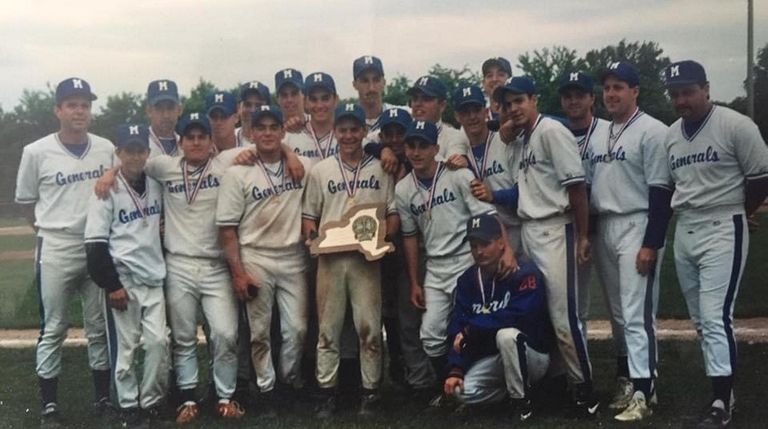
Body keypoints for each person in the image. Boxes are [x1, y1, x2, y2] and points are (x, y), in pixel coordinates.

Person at [663, 60, 768, 429]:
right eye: (675, 94)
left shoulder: (735, 124)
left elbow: (760, 178)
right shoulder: (672, 134)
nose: (681, 100)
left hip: (724, 222)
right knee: (700, 321)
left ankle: (721, 402)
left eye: (688, 91)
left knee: (715, 316)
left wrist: (743, 211)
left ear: (706, 88)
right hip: (686, 227)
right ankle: (725, 390)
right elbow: (668, 186)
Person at [493, 76, 598, 417]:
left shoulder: (551, 131)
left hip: (556, 227)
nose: (513, 108)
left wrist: (582, 235)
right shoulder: (522, 140)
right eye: (507, 104)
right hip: (530, 229)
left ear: (534, 99)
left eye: (519, 100)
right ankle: (557, 383)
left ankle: (585, 390)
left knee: (564, 318)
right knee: (540, 313)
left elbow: (577, 188)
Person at [15, 77, 112, 428]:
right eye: (71, 104)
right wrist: (43, 227)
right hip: (56, 243)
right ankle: (49, 405)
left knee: (98, 326)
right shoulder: (36, 151)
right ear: (57, 110)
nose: (79, 110)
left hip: (97, 244)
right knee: (54, 327)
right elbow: (26, 203)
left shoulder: (106, 148)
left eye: (85, 104)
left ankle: (103, 398)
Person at [395, 120, 514, 403]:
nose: (416, 152)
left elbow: (486, 215)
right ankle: (446, 386)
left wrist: (505, 249)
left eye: (423, 145)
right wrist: (414, 281)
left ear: (436, 148)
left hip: (465, 260)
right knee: (431, 335)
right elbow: (410, 238)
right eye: (411, 146)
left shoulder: (457, 175)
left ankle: (477, 384)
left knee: (473, 327)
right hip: (435, 266)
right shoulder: (403, 189)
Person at [139, 113, 244, 423]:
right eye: (190, 137)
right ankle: (188, 398)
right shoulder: (164, 165)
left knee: (225, 333)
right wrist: (109, 175)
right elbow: (131, 164)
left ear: (211, 141)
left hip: (216, 265)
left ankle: (225, 396)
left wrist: (290, 154)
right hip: (179, 263)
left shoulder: (226, 162)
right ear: (180, 142)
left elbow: (271, 147)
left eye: (202, 136)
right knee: (183, 336)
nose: (196, 142)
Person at [588, 61, 672, 421]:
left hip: (638, 222)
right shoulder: (600, 132)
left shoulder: (652, 130)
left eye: (619, 87)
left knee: (637, 313)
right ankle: (633, 382)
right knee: (619, 314)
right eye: (607, 87)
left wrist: (651, 243)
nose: (611, 94)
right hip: (606, 223)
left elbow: (661, 193)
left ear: (635, 91)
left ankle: (644, 390)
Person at [302, 103, 399, 417]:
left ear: (362, 131)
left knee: (369, 327)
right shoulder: (321, 170)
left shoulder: (380, 168)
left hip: (366, 261)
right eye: (342, 129)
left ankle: (370, 393)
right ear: (335, 131)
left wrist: (383, 237)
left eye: (354, 129)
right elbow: (309, 218)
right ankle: (325, 394)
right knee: (328, 330)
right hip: (330, 261)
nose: (348, 135)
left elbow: (393, 215)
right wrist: (311, 238)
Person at [217, 106, 310, 416]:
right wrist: (238, 273)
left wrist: (290, 154)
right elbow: (227, 230)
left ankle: (288, 382)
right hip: (255, 255)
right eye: (262, 128)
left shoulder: (302, 165)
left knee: (296, 330)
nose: (268, 133)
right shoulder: (236, 171)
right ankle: (267, 391)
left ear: (283, 132)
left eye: (274, 127)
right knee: (259, 332)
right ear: (252, 133)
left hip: (293, 256)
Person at [84, 124, 168, 428]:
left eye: (140, 149)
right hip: (124, 280)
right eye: (128, 150)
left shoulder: (157, 184)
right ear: (118, 153)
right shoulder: (106, 190)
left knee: (159, 342)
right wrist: (112, 285)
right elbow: (94, 244)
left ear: (147, 152)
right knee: (127, 348)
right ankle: (129, 407)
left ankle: (151, 402)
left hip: (154, 278)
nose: (135, 155)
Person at [445, 214, 552, 422]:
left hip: (532, 355)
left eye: (485, 244)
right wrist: (456, 368)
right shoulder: (467, 280)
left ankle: (522, 403)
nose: (479, 251)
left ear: (502, 242)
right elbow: (457, 326)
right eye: (474, 246)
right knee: (461, 392)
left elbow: (521, 316)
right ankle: (509, 395)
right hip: (494, 358)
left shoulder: (524, 272)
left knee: (507, 335)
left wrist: (473, 329)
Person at [446, 84, 522, 252]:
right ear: (457, 116)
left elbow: (525, 193)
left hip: (518, 228)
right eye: (465, 112)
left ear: (486, 111)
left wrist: (493, 195)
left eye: (476, 109)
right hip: (485, 238)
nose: (472, 116)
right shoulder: (459, 151)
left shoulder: (506, 141)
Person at [284, 72, 339, 165]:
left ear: (336, 100)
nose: (320, 105)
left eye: (325, 98)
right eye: (313, 99)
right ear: (305, 102)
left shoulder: (349, 135)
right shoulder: (291, 137)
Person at [406, 75, 467, 159]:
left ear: (442, 105)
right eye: (415, 98)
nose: (418, 104)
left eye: (426, 99)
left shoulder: (454, 136)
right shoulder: (402, 134)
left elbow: (451, 169)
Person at [145, 79, 182, 157]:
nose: (166, 115)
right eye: (159, 108)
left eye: (170, 108)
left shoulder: (188, 146)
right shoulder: (137, 145)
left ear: (179, 110)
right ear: (149, 111)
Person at [235, 81, 271, 147]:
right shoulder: (229, 139)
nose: (253, 110)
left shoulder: (278, 140)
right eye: (247, 104)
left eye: (258, 105)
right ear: (238, 109)